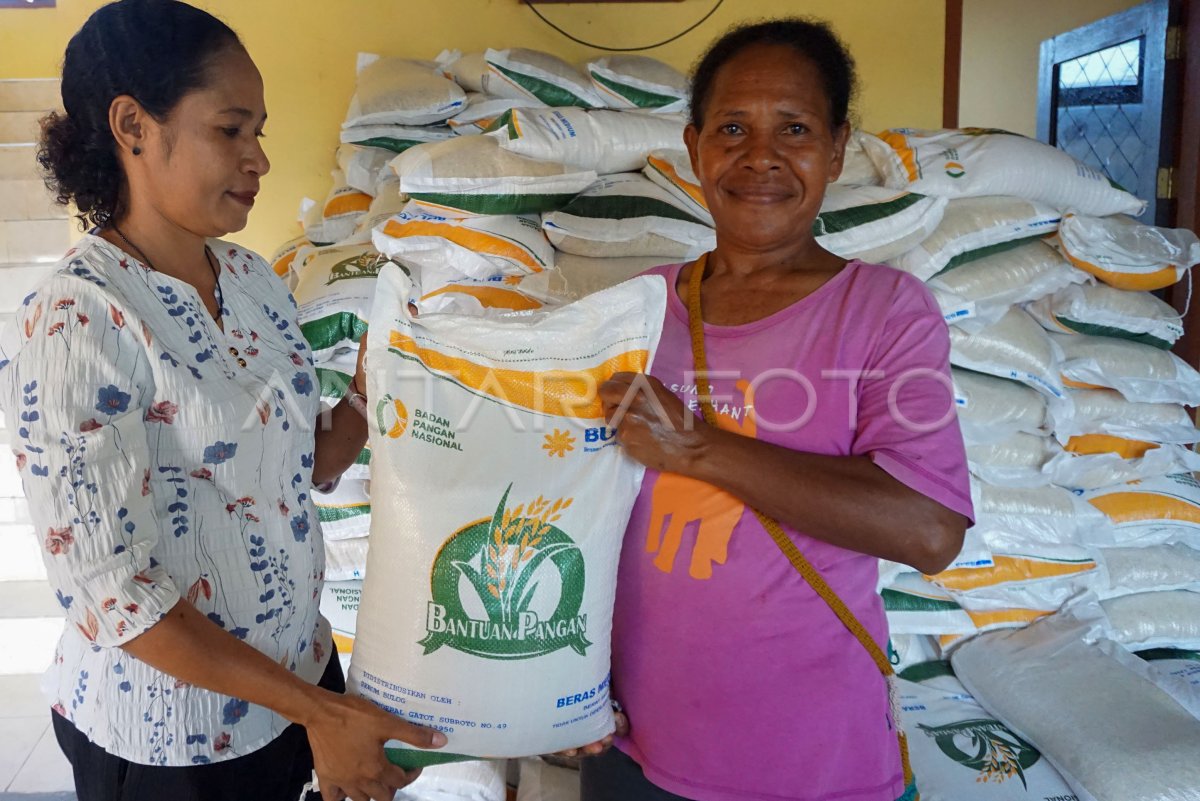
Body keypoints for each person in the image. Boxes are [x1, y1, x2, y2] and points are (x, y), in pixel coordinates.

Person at [0, 2, 444, 799]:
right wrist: (322, 713)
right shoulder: (77, 319)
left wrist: (375, 383)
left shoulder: (253, 281)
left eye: (260, 132)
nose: (259, 159)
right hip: (175, 738)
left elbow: (304, 463)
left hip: (296, 684)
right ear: (134, 125)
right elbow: (115, 594)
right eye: (231, 130)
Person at [584, 18, 974, 801]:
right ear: (695, 149)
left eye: (793, 129)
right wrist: (559, 684)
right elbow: (575, 511)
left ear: (835, 149)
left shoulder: (885, 311)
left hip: (812, 762)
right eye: (732, 128)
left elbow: (929, 531)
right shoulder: (632, 310)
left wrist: (699, 450)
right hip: (631, 753)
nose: (759, 156)